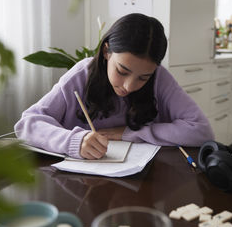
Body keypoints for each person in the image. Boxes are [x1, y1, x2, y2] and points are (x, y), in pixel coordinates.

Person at [15, 13, 214, 159]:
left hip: (140, 181)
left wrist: (129, 132)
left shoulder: (159, 78)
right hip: (79, 182)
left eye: (143, 78)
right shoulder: (81, 75)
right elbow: (27, 124)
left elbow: (201, 130)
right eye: (122, 71)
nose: (128, 86)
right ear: (106, 52)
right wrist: (74, 141)